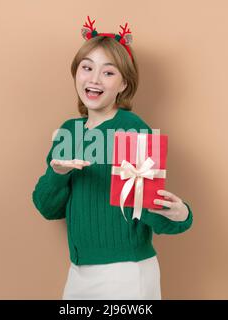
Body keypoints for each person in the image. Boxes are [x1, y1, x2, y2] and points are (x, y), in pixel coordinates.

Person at [32, 16, 193, 300]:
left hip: (126, 273)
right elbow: (48, 208)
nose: (94, 79)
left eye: (108, 72)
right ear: (76, 74)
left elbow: (151, 208)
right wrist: (57, 174)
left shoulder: (133, 129)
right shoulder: (69, 131)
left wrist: (182, 215)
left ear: (123, 84)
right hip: (79, 271)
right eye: (87, 68)